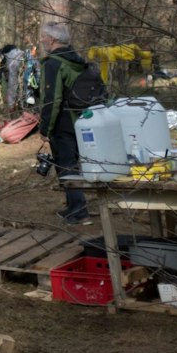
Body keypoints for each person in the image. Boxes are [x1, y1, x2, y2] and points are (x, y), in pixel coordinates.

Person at [37, 21, 105, 225]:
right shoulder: (78, 60)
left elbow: (52, 98)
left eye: (43, 37)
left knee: (67, 166)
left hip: (63, 123)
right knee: (74, 163)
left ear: (53, 39)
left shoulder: (54, 63)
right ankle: (73, 206)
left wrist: (45, 127)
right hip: (82, 120)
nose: (41, 40)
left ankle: (79, 211)